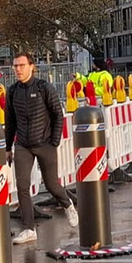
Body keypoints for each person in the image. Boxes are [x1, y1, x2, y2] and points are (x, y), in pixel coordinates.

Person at [5, 52, 78, 245]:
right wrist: (8, 147)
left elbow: (57, 114)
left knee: (51, 184)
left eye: (21, 65)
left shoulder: (44, 88)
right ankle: (29, 228)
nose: (18, 69)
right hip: (22, 145)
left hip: (45, 143)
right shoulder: (12, 91)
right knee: (22, 186)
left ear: (31, 67)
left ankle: (68, 204)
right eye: (15, 66)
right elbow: (9, 121)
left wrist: (54, 140)